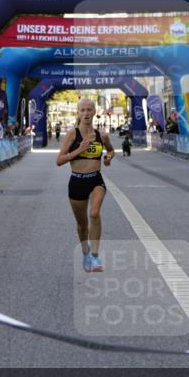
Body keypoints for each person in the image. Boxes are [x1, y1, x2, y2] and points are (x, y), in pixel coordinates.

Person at [57, 98, 114, 273]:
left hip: (96, 179)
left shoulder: (101, 135)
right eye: (82, 110)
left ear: (94, 112)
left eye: (89, 110)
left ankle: (95, 257)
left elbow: (111, 150)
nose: (86, 113)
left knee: (94, 213)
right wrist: (79, 150)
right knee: (82, 224)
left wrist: (108, 157)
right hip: (77, 181)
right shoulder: (72, 134)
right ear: (78, 113)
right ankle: (86, 253)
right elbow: (59, 160)